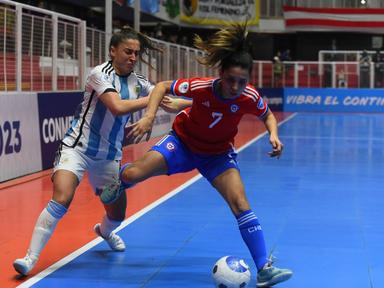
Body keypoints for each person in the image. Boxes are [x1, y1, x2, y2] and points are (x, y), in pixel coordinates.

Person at [101, 24, 293, 287]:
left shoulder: (249, 96)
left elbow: (267, 114)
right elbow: (162, 87)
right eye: (231, 80)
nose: (236, 86)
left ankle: (263, 269)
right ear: (221, 73)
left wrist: (273, 134)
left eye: (242, 81)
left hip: (218, 155)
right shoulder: (201, 86)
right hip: (182, 144)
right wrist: (149, 117)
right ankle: (118, 181)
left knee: (240, 204)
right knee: (134, 173)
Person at [13, 26, 191, 276]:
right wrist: (153, 100)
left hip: (109, 157)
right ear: (113, 51)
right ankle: (29, 258)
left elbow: (170, 103)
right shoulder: (99, 73)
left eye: (136, 53)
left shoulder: (139, 82)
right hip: (77, 148)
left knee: (117, 213)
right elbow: (117, 107)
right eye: (128, 51)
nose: (133, 57)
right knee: (62, 197)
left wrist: (199, 103)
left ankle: (105, 231)